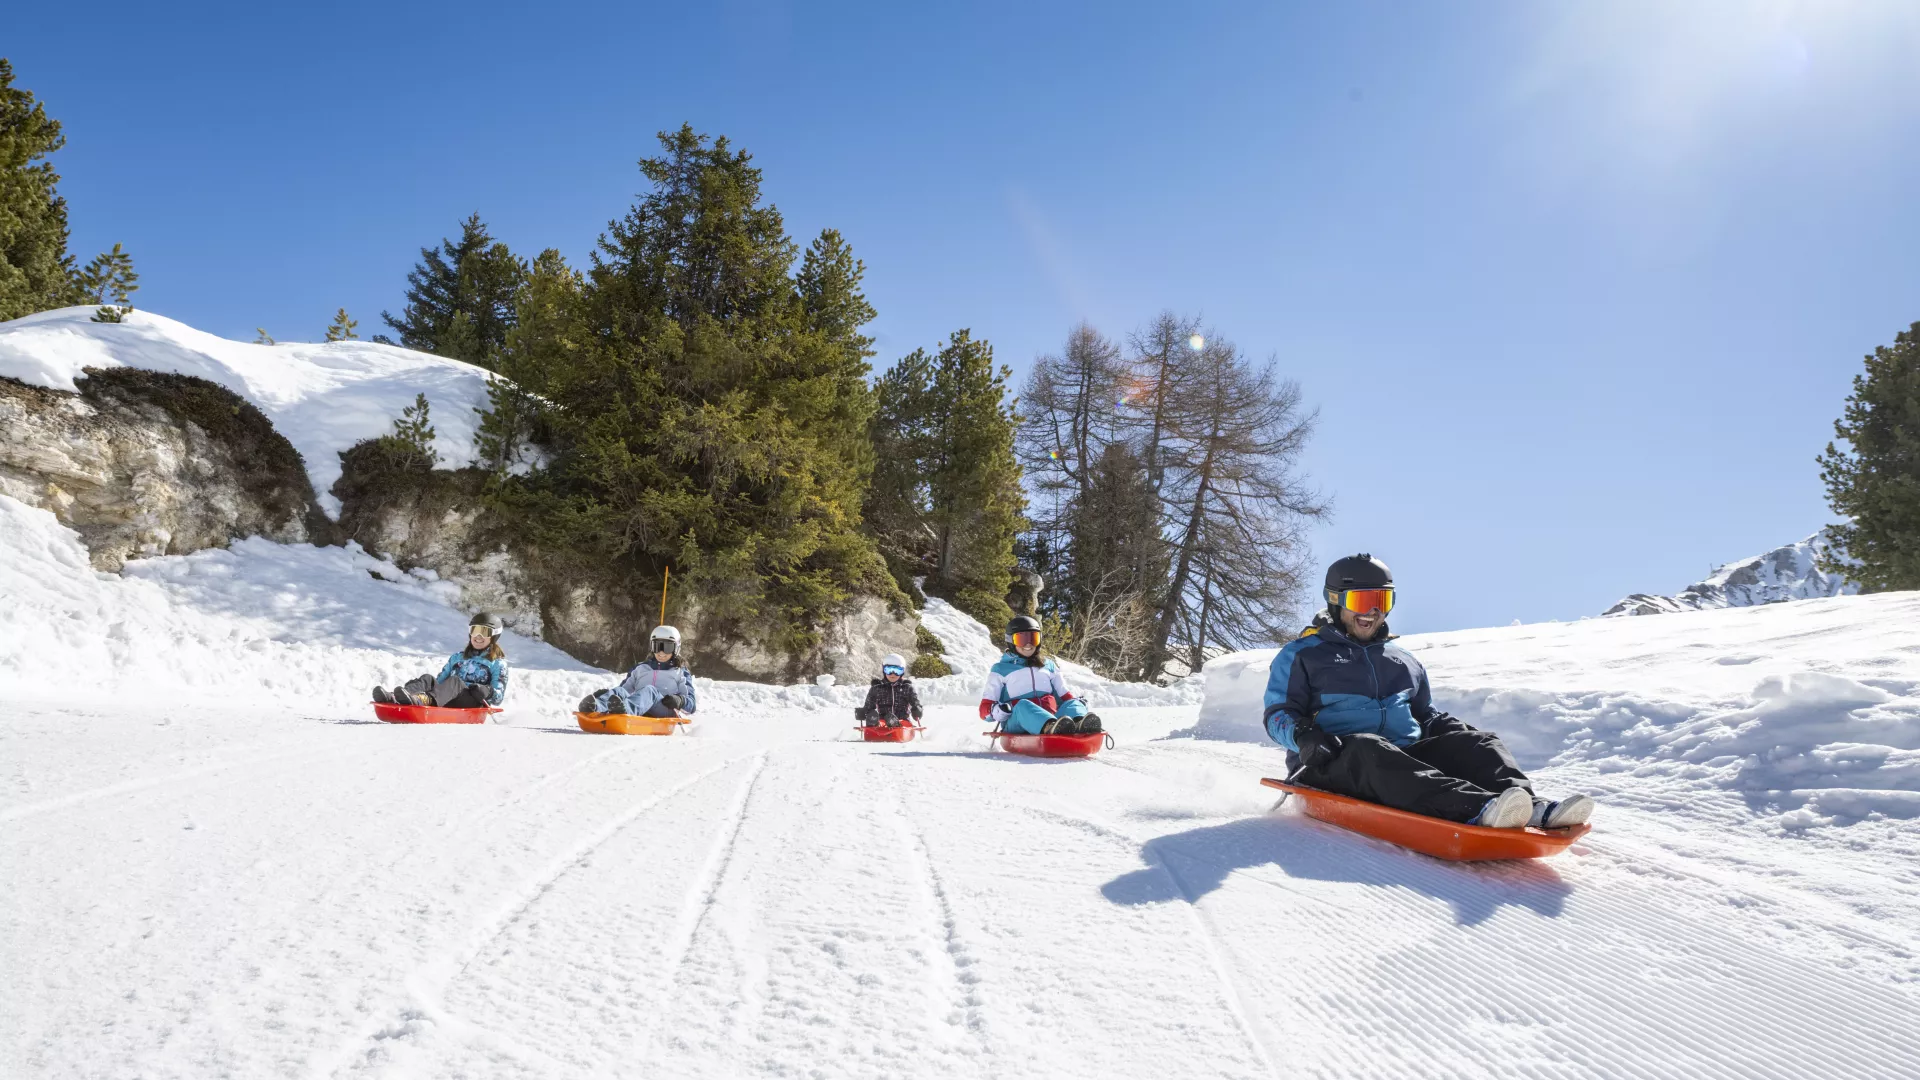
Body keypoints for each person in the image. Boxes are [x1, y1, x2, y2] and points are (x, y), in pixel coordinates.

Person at [1263, 555, 1594, 830]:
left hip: (1402, 757)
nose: (1373, 611)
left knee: (1481, 742)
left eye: (1382, 601)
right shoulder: (1302, 654)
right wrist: (1305, 736)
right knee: (1368, 747)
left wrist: (1461, 736)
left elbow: (1426, 715)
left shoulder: (1402, 660)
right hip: (1331, 761)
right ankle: (1476, 808)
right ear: (1336, 601)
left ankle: (1528, 807)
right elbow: (1278, 713)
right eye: (1363, 600)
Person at [979, 615, 1103, 736]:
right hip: (1017, 723)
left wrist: (1078, 705)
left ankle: (1080, 725)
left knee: (1073, 703)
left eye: (1033, 639)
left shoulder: (1048, 666)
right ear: (1011, 641)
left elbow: (1065, 696)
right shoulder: (1000, 670)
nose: (1028, 644)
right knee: (1023, 705)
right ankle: (1050, 727)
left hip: (1055, 720)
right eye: (1022, 640)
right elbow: (984, 709)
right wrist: (996, 711)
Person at [374, 613, 510, 709]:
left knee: (455, 681)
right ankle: (399, 697)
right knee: (428, 679)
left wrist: (487, 691)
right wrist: (420, 686)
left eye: (484, 632)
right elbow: (439, 683)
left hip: (473, 702)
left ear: (494, 636)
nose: (478, 636)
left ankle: (422, 700)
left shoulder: (497, 663)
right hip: (448, 696)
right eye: (475, 631)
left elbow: (498, 697)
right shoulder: (457, 657)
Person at [578, 625, 698, 718]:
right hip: (639, 707)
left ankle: (625, 711)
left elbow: (691, 705)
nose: (661, 653)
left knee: (650, 690)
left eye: (666, 647)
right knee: (620, 691)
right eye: (657, 647)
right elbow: (624, 691)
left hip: (664, 709)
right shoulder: (640, 668)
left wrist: (680, 701)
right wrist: (607, 695)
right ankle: (596, 707)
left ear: (676, 648)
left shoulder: (680, 672)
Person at [856, 653, 924, 728]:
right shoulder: (877, 688)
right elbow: (868, 707)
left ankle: (894, 724)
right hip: (882, 724)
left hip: (903, 723)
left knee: (890, 719)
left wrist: (917, 709)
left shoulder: (907, 688)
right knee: (876, 717)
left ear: (902, 672)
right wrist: (865, 713)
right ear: (884, 671)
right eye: (889, 670)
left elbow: (915, 703)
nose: (893, 674)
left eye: (897, 671)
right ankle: (874, 728)